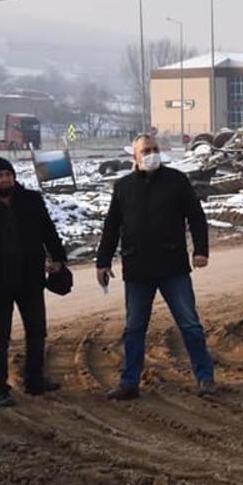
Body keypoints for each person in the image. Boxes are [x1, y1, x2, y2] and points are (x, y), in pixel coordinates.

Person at [96, 133, 216, 399]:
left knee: (190, 324)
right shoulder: (124, 187)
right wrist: (103, 261)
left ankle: (205, 378)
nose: (151, 154)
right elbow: (112, 226)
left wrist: (201, 250)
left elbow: (196, 216)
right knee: (135, 328)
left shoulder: (176, 181)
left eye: (154, 149)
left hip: (173, 266)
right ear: (135, 157)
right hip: (138, 268)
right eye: (145, 151)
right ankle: (129, 383)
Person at [0, 157, 68, 407]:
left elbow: (48, 231)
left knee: (37, 332)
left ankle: (35, 379)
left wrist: (59, 259)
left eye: (8, 174)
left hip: (30, 278)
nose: (5, 179)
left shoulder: (30, 200)